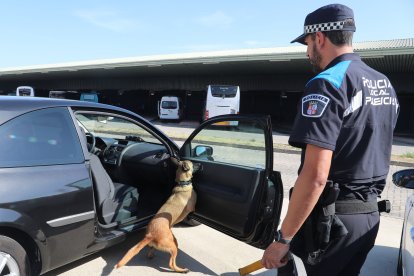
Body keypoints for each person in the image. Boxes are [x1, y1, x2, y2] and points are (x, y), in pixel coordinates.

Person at [262, 4, 399, 276]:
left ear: (320, 38)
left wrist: (283, 239)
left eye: (308, 42)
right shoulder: (384, 83)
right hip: (367, 220)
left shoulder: (326, 83)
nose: (307, 51)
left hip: (327, 227)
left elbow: (315, 176)